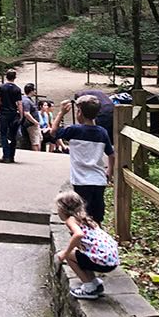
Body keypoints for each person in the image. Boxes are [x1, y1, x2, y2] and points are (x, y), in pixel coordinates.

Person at [50, 96, 114, 224]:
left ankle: (83, 241)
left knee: (81, 214)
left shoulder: (74, 130)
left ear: (80, 113)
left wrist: (62, 112)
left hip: (81, 180)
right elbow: (111, 155)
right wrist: (110, 172)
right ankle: (97, 240)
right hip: (99, 180)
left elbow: (53, 133)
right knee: (97, 216)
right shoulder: (102, 132)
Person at [54, 190, 119, 300]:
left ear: (63, 209)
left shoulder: (71, 220)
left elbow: (78, 234)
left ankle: (89, 288)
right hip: (111, 261)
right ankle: (95, 283)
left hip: (103, 262)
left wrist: (65, 253)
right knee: (80, 255)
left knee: (69, 256)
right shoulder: (85, 218)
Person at [0, 69, 22, 164]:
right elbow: (19, 103)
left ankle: (5, 155)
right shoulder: (17, 89)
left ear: (6, 76)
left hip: (4, 113)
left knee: (3, 134)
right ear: (15, 77)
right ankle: (11, 156)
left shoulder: (2, 87)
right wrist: (21, 115)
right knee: (13, 135)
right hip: (13, 113)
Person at [20, 83, 41, 153]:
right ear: (31, 91)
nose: (35, 91)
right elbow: (26, 113)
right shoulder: (26, 101)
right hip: (31, 125)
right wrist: (35, 122)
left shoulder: (28, 99)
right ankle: (36, 155)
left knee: (38, 140)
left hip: (33, 124)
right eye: (34, 90)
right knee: (35, 142)